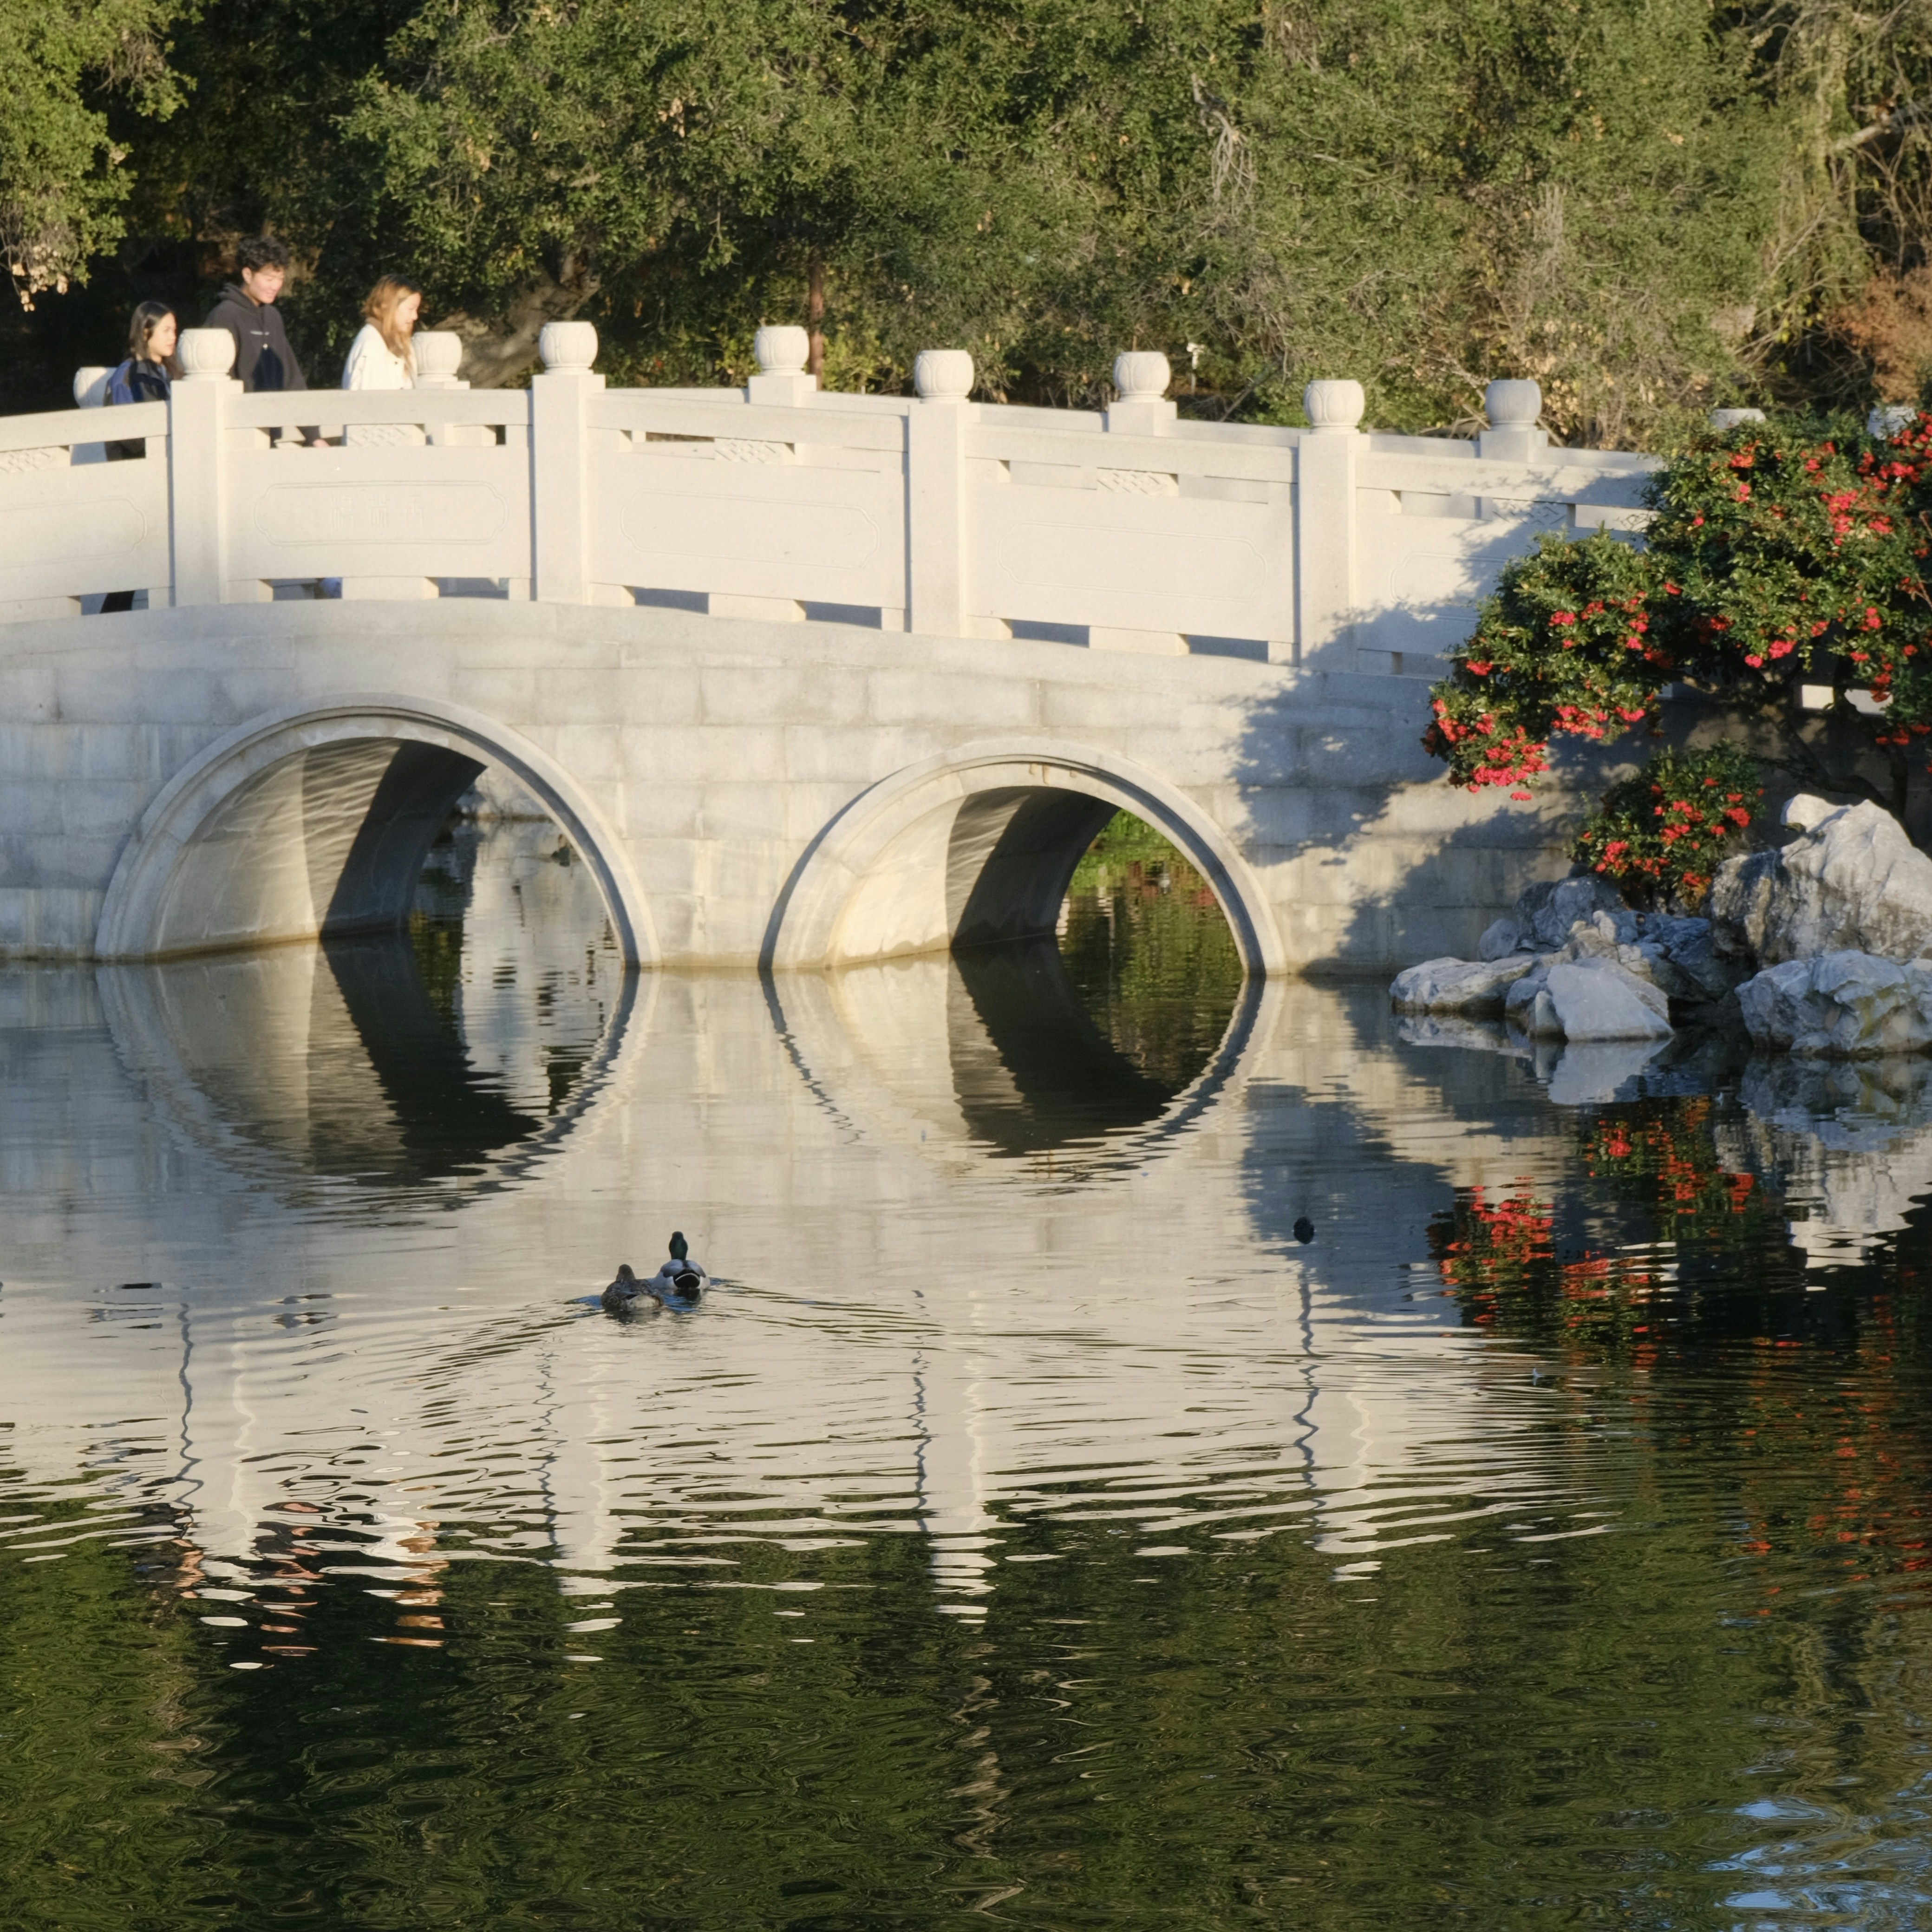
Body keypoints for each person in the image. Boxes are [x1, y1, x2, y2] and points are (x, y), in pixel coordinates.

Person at [98, 302, 180, 614]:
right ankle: (109, 625)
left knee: (137, 571)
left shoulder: (166, 374)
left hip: (159, 481)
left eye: (175, 330)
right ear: (146, 332)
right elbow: (130, 436)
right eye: (167, 330)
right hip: (136, 483)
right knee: (131, 570)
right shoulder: (128, 375)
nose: (174, 337)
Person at [203, 236, 308, 394]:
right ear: (247, 275)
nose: (276, 286)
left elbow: (290, 374)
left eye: (280, 279)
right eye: (269, 279)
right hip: (242, 411)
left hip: (274, 411)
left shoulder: (273, 316)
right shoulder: (225, 315)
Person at [341, 274, 422, 394]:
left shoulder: (402, 342)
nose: (415, 316)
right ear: (389, 306)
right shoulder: (371, 345)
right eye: (411, 309)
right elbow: (371, 404)